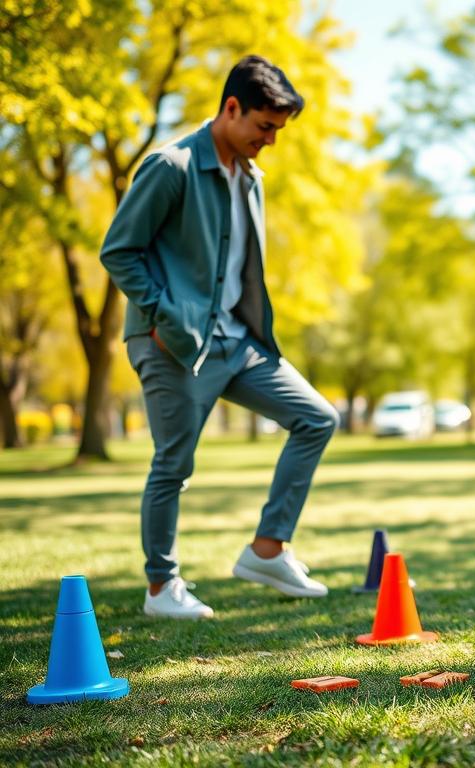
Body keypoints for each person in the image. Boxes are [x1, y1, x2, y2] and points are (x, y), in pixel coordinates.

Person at [101, 55, 338, 619]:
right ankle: (162, 588)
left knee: (317, 417)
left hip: (239, 342)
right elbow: (119, 251)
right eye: (264, 127)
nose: (271, 141)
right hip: (175, 343)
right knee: (174, 464)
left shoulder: (251, 178)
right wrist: (161, 317)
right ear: (231, 108)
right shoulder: (172, 166)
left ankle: (267, 549)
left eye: (278, 130)